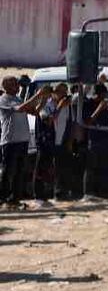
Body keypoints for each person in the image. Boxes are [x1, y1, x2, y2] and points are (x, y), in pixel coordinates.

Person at [1, 76, 50, 209]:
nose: (17, 86)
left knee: (19, 171)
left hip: (23, 140)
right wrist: (37, 95)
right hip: (10, 141)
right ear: (6, 86)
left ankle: (14, 199)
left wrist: (43, 99)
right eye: (14, 84)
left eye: (17, 84)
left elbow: (34, 111)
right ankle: (3, 199)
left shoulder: (17, 99)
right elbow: (20, 109)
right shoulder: (3, 99)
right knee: (8, 172)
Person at [82, 83, 108, 199]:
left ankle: (101, 191)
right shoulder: (89, 104)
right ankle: (89, 192)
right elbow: (88, 121)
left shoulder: (104, 105)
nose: (103, 98)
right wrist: (99, 108)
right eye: (102, 95)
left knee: (103, 167)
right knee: (91, 167)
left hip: (105, 139)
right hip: (94, 139)